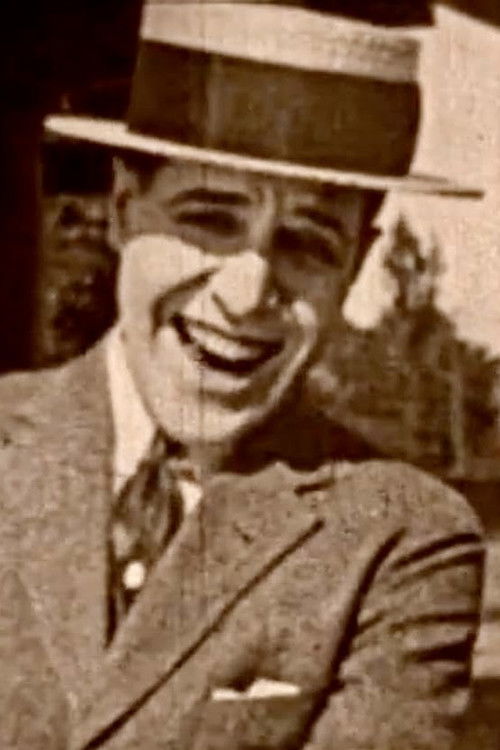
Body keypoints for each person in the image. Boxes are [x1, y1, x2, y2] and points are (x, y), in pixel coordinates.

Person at [0, 1, 484, 748]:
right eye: (209, 217)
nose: (248, 293)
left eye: (307, 243)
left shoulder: (397, 536)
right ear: (124, 209)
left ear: (355, 265)